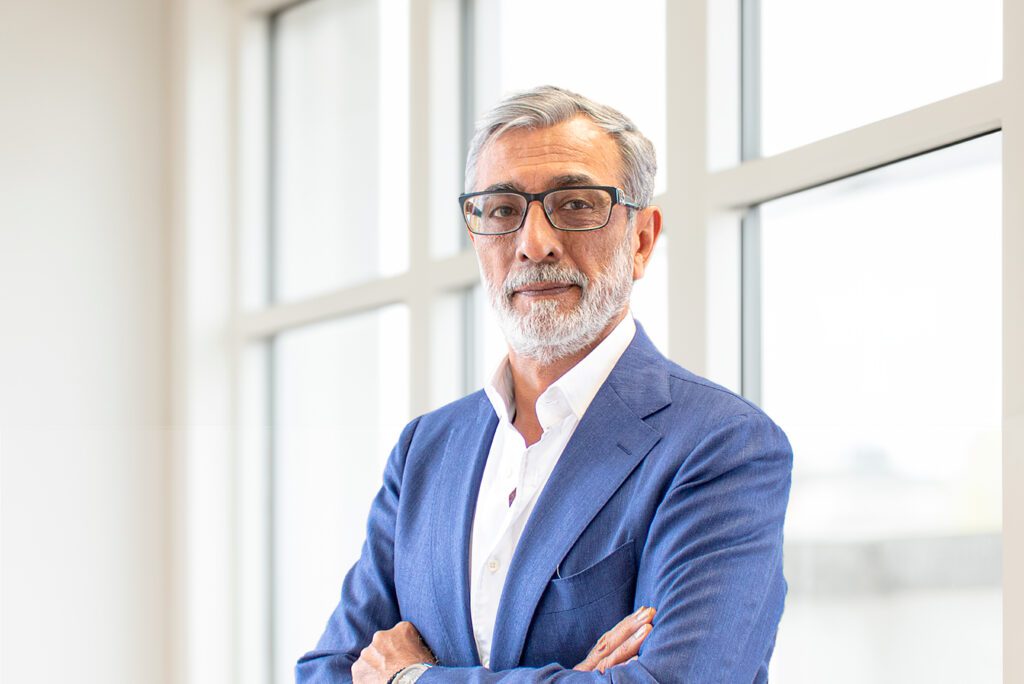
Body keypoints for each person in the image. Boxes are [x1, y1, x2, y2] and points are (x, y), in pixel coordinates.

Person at [296, 85, 792, 683]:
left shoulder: (721, 446)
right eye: (502, 210)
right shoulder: (424, 450)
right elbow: (327, 672)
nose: (534, 243)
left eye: (577, 204)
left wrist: (412, 680)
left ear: (641, 239)